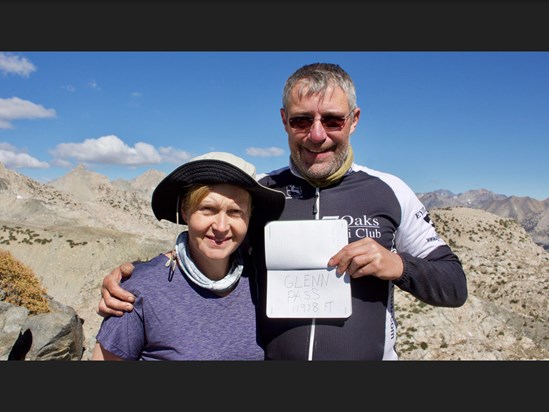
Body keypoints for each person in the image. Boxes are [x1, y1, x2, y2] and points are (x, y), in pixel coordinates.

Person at [97, 62, 468, 360]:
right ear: (284, 121)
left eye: (333, 120)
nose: (317, 135)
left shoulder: (391, 191)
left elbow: (454, 285)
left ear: (354, 120)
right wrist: (139, 276)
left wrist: (398, 265)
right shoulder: (261, 191)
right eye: (302, 120)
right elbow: (215, 242)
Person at [91, 151, 285, 360]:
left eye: (235, 211)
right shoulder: (139, 290)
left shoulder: (259, 280)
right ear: (185, 211)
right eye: (208, 209)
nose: (221, 227)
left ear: (250, 214)